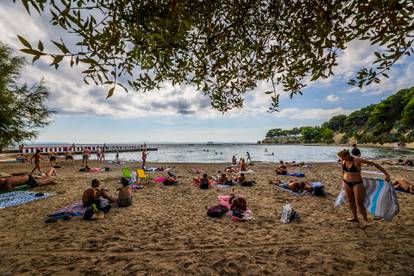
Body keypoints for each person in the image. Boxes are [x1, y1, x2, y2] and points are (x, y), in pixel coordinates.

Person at [337, 149, 390, 226]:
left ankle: (365, 220)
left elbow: (375, 164)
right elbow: (343, 171)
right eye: (341, 157)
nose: (341, 159)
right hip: (346, 182)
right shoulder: (343, 161)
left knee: (359, 202)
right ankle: (355, 218)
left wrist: (386, 174)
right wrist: (343, 180)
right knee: (351, 200)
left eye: (342, 157)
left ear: (347, 155)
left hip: (357, 183)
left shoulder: (357, 160)